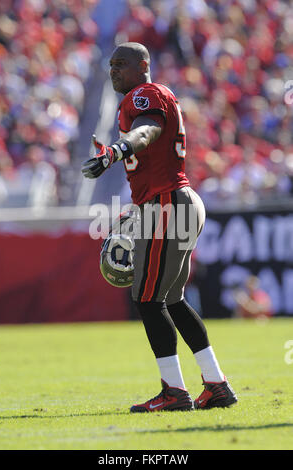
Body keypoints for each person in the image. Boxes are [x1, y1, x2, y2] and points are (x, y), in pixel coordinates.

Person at [82, 42, 237, 412]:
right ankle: (216, 385)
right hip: (176, 199)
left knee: (148, 299)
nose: (114, 70)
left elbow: (147, 129)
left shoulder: (143, 96)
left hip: (169, 203)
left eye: (122, 64)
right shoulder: (156, 94)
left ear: (143, 66)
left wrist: (117, 151)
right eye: (111, 64)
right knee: (171, 299)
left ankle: (174, 392)